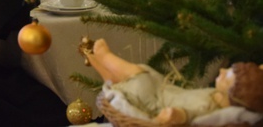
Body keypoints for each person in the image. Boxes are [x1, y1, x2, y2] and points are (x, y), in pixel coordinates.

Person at [81, 38, 263, 125]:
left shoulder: (209, 107)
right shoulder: (215, 97)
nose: (221, 70)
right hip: (163, 92)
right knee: (147, 74)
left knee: (140, 75)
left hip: (156, 104)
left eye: (226, 75)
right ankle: (98, 61)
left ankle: (105, 57)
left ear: (234, 91)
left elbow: (190, 116)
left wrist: (178, 115)